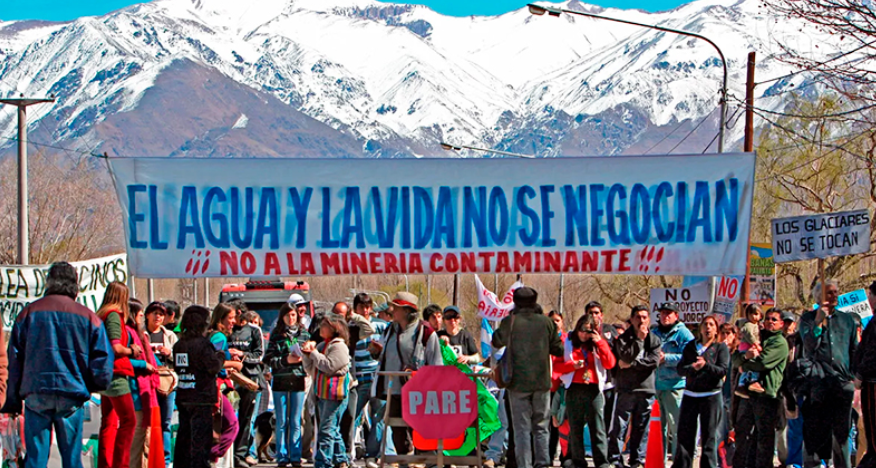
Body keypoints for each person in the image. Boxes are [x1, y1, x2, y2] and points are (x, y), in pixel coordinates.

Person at [2, 262, 113, 468]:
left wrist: (13, 401)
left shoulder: (28, 313)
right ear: (75, 285)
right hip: (72, 394)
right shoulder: (88, 317)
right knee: (72, 460)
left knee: (35, 459)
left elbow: (14, 362)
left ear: (48, 283)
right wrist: (91, 385)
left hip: (36, 394)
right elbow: (103, 362)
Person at [492, 287, 564, 468]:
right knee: (541, 426)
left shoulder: (511, 321)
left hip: (517, 384)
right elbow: (558, 349)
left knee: (521, 429)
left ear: (515, 302)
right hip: (542, 383)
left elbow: (496, 341)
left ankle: (524, 465)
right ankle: (543, 463)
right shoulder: (546, 322)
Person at [370, 291, 443, 456]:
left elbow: (436, 365)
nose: (391, 310)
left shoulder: (426, 333)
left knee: (420, 433)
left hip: (419, 393)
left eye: (396, 308)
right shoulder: (389, 330)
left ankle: (425, 463)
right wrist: (375, 352)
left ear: (407, 311)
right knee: (398, 432)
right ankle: (405, 461)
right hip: (393, 390)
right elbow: (383, 355)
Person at [797, 281, 858, 468]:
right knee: (815, 434)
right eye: (829, 293)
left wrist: (854, 378)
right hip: (817, 385)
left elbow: (853, 351)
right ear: (819, 297)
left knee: (841, 436)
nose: (834, 296)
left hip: (841, 384)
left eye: (836, 292)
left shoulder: (847, 320)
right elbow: (808, 345)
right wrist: (818, 322)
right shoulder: (807, 319)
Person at [554, 313, 616, 468]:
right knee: (575, 427)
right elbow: (557, 366)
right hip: (574, 388)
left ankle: (601, 461)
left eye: (588, 331)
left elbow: (610, 363)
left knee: (598, 427)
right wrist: (572, 366)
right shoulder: (568, 343)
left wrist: (600, 343)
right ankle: (578, 460)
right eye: (581, 330)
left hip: (593, 389)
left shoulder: (597, 344)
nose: (583, 334)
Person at [732, 308, 789, 468]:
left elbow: (762, 363)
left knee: (764, 440)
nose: (770, 322)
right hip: (747, 395)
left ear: (781, 324)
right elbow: (735, 357)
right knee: (744, 437)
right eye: (768, 319)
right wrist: (744, 357)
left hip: (767, 396)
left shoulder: (779, 342)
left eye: (774, 320)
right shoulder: (757, 337)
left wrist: (744, 364)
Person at [672, 315, 730, 468]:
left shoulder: (720, 348)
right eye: (705, 324)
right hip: (690, 395)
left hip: (711, 396)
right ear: (700, 328)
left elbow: (723, 370)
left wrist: (706, 366)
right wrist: (692, 368)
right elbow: (680, 369)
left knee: (709, 436)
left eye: (711, 324)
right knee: (685, 435)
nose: (708, 327)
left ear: (716, 329)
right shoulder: (691, 346)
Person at [608, 305, 662, 468]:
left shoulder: (654, 339)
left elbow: (654, 362)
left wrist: (632, 364)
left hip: (646, 389)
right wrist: (638, 340)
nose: (642, 320)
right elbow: (624, 356)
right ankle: (615, 459)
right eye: (638, 317)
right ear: (631, 319)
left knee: (641, 427)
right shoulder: (623, 339)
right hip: (626, 389)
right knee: (620, 426)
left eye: (645, 317)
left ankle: (637, 459)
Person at [173, 305, 225, 468]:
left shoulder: (179, 345)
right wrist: (221, 357)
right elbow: (213, 367)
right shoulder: (203, 345)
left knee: (184, 439)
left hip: (184, 396)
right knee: (200, 443)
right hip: (201, 398)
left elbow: (177, 367)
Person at [96, 282, 140, 468]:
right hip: (116, 373)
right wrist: (131, 350)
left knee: (109, 422)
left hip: (103, 374)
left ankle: (105, 464)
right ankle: (120, 464)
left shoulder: (100, 315)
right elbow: (116, 347)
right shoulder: (114, 316)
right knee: (129, 421)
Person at [302, 314, 353, 468]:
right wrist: (306, 355)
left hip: (334, 395)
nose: (320, 328)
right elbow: (311, 369)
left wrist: (314, 355)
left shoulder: (339, 346)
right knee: (332, 429)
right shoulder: (321, 346)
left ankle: (323, 463)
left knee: (326, 430)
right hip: (322, 393)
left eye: (324, 324)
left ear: (334, 328)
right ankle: (341, 459)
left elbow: (329, 366)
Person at [349, 293, 392, 468]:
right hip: (358, 379)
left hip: (378, 377)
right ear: (355, 309)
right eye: (361, 307)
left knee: (379, 417)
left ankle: (372, 455)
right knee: (352, 416)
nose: (366, 311)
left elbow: (391, 345)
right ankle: (347, 453)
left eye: (368, 307)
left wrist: (381, 349)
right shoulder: (350, 327)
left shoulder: (382, 326)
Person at [265, 303, 311, 468]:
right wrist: (285, 360)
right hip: (280, 380)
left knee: (296, 419)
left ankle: (296, 455)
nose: (291, 318)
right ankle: (282, 455)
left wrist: (306, 354)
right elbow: (268, 358)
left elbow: (311, 357)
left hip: (298, 378)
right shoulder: (277, 335)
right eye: (287, 315)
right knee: (282, 420)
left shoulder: (304, 334)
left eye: (293, 315)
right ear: (282, 317)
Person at [651, 303, 695, 459]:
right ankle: (658, 460)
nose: (665, 316)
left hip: (675, 386)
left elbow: (690, 357)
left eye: (669, 313)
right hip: (656, 386)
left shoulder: (684, 334)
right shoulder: (653, 332)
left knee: (677, 426)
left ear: (677, 315)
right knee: (657, 428)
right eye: (663, 313)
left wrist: (667, 358)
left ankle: (679, 460)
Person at [229, 309, 267, 468]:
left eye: (233, 316)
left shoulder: (254, 330)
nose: (231, 320)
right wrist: (228, 354)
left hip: (249, 379)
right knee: (230, 418)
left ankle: (240, 454)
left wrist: (242, 354)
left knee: (246, 419)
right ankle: (227, 454)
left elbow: (259, 355)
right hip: (230, 380)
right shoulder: (227, 330)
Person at [144, 301, 178, 468]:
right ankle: (147, 458)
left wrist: (169, 353)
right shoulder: (141, 334)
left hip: (167, 384)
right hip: (147, 383)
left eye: (161, 314)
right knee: (147, 421)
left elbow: (179, 359)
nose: (158, 317)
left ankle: (165, 460)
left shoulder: (170, 336)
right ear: (147, 315)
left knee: (165, 422)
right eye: (154, 313)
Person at [209, 303, 244, 463]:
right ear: (220, 319)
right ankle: (212, 455)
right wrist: (234, 365)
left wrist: (228, 355)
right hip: (215, 386)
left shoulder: (212, 335)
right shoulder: (219, 337)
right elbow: (213, 361)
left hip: (214, 384)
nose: (233, 321)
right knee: (232, 425)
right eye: (230, 318)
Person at [126, 300, 159, 468]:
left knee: (144, 434)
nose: (141, 318)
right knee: (137, 435)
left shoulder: (139, 334)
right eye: (140, 315)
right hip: (135, 390)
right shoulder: (128, 333)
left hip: (144, 390)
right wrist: (143, 365)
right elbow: (122, 361)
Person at [854, 295, 876, 468]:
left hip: (872, 381)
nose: (870, 300)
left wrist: (861, 374)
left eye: (872, 296)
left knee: (872, 425)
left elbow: (872, 351)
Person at [735, 304, 765, 397]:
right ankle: (752, 381)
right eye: (751, 314)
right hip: (747, 347)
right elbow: (749, 335)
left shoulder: (756, 325)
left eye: (756, 314)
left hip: (750, 346)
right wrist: (756, 344)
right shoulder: (748, 325)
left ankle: (745, 383)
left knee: (749, 365)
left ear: (760, 316)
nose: (753, 316)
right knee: (753, 362)